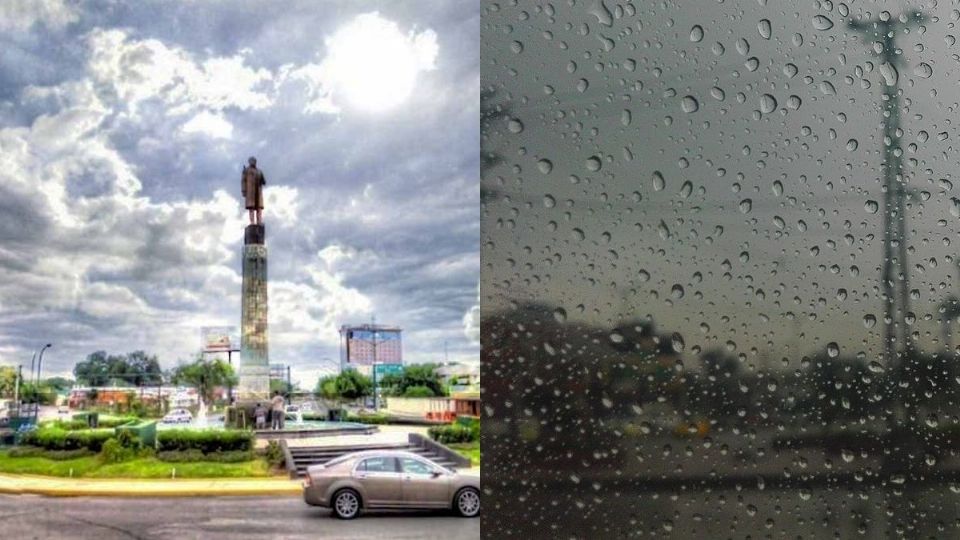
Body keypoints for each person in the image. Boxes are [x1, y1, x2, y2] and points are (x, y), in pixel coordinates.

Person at [241, 156, 266, 226]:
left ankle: (259, 221)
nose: (253, 162)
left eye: (254, 161)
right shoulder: (246, 171)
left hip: (258, 191)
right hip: (250, 191)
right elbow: (243, 181)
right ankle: (252, 222)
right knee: (251, 207)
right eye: (251, 161)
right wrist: (243, 190)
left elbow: (264, 181)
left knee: (259, 208)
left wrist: (261, 179)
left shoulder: (259, 171)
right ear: (249, 162)